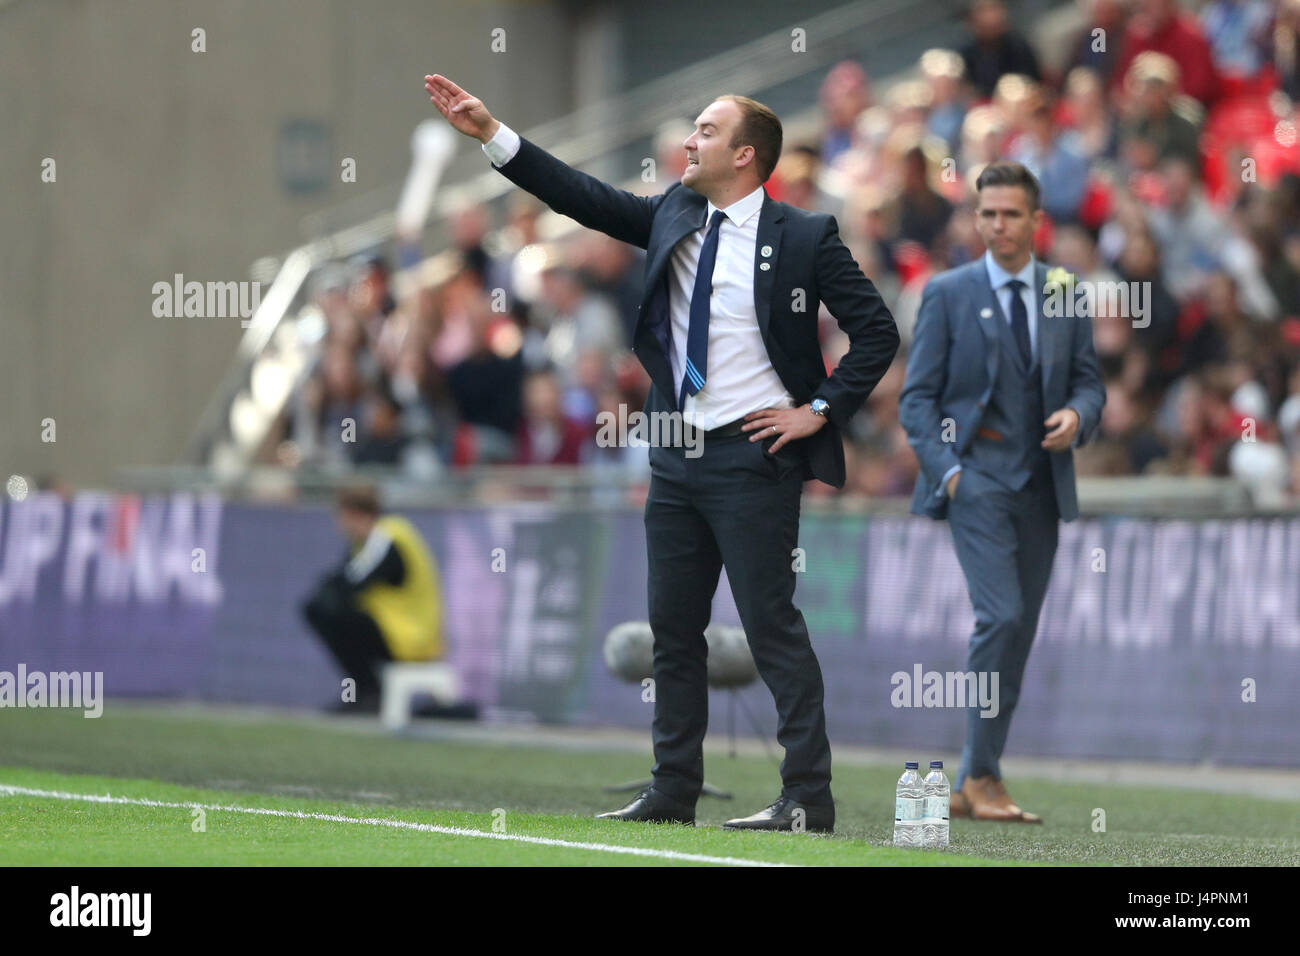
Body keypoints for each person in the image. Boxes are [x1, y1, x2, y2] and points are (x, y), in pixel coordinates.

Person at [425, 74, 899, 831]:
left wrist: (817, 411)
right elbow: (581, 196)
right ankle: (673, 787)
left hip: (754, 456)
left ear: (746, 155)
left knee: (771, 627)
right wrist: (493, 135)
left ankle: (807, 796)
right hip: (677, 454)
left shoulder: (805, 238)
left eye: (706, 132)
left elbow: (877, 332)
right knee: (672, 631)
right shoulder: (676, 211)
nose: (689, 140)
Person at [899, 162, 1105, 823]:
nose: (997, 225)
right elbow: (918, 399)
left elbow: (1089, 383)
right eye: (987, 213)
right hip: (976, 483)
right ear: (976, 217)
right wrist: (950, 473)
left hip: (1041, 488)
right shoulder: (948, 292)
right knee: (1003, 618)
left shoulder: (1067, 292)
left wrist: (1078, 416)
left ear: (1036, 221)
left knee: (1018, 634)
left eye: (1011, 214)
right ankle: (983, 775)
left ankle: (970, 780)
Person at [301, 484, 445, 713]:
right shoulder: (370, 541)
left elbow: (349, 583)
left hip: (410, 637)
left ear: (354, 513)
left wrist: (328, 588)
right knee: (323, 607)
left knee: (324, 609)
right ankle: (367, 691)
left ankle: (369, 692)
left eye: (341, 516)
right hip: (400, 633)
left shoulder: (387, 535)